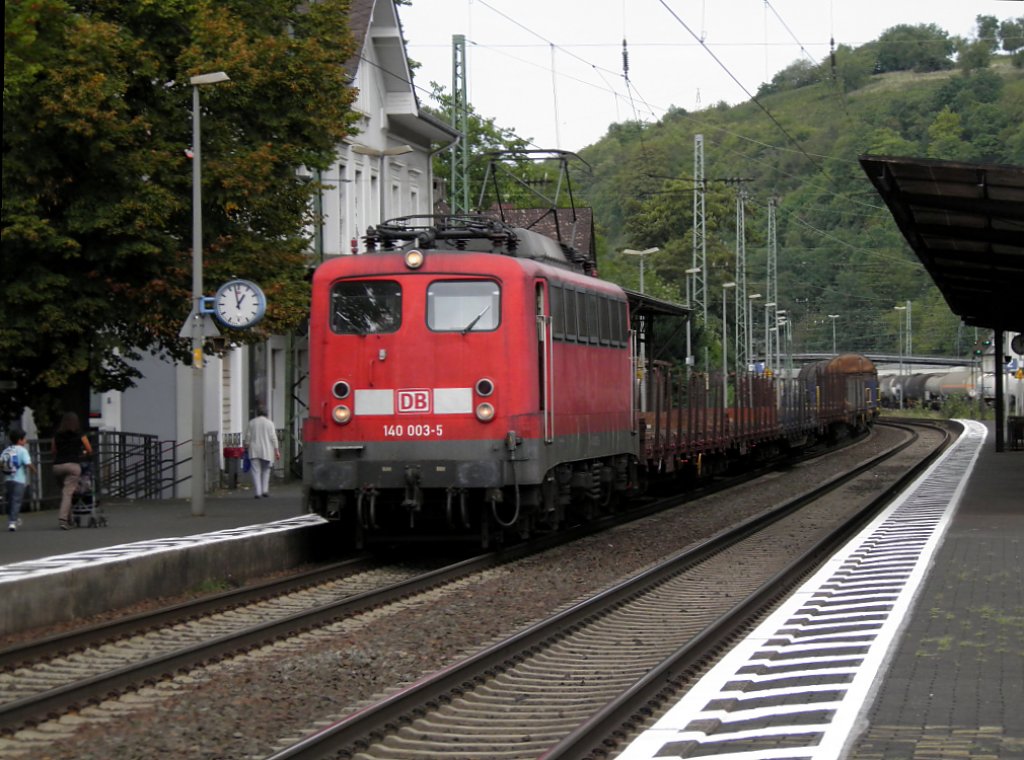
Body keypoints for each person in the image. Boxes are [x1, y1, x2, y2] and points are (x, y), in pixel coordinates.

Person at [51, 412, 93, 529]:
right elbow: (89, 449)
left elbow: (53, 450)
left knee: (65, 493)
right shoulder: (80, 434)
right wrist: (83, 453)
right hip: (73, 466)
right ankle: (63, 520)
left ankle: (70, 519)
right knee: (68, 493)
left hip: (58, 466)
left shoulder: (57, 435)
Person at [4, 429, 36, 531]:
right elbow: (27, 463)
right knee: (16, 500)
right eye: (24, 438)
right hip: (19, 479)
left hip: (8, 479)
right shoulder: (23, 450)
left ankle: (13, 518)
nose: (26, 440)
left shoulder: (7, 450)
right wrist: (34, 470)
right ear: (19, 440)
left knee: (10, 500)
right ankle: (12, 522)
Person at [244, 407, 280, 498]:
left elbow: (248, 436)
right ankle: (265, 490)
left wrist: (246, 445)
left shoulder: (252, 423)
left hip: (254, 450)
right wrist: (276, 450)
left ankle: (258, 492)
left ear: (257, 414)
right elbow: (273, 438)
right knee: (266, 471)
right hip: (267, 450)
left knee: (256, 471)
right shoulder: (270, 423)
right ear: (266, 414)